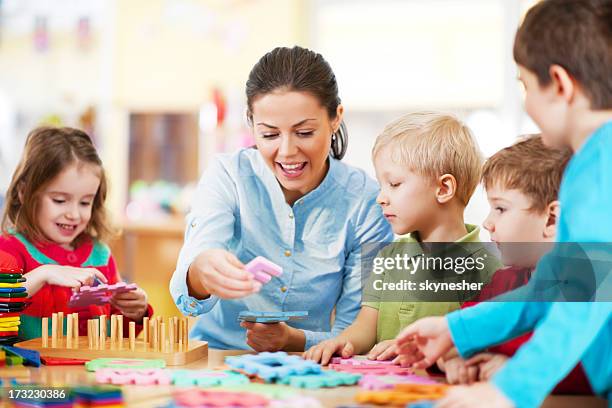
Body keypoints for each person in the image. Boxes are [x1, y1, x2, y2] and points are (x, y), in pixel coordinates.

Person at [395, 1, 612, 407]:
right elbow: (553, 286)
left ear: (560, 85)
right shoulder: (589, 165)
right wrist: (456, 329)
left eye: (526, 86)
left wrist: (509, 390)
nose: (526, 103)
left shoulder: (602, 166)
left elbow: (587, 292)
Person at [170, 46, 393, 351]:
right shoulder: (228, 176)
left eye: (304, 133)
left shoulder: (364, 201)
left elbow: (354, 330)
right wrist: (201, 272)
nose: (287, 151)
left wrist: (295, 340)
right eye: (270, 135)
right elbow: (186, 295)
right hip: (216, 359)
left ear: (335, 118)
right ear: (251, 123)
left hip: (309, 364)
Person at [303, 112, 499, 364]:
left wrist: (414, 348)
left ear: (443, 188)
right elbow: (366, 326)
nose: (380, 197)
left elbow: (485, 345)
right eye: (381, 185)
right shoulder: (388, 257)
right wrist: (342, 341)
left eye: (394, 184)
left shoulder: (487, 270)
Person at [1, 126, 152, 339]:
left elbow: (118, 334)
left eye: (85, 202)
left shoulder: (100, 254)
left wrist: (136, 312)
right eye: (60, 200)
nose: (73, 214)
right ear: (24, 193)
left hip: (91, 371)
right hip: (33, 372)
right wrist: (43, 273)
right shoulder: (10, 250)